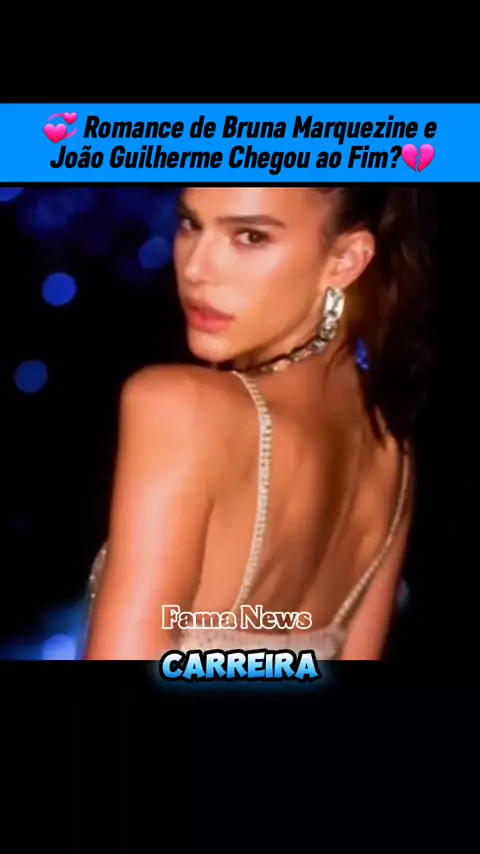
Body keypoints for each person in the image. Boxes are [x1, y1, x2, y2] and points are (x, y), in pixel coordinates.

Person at [84, 186, 433, 661]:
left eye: (250, 236)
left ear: (346, 260)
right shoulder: (393, 453)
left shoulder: (180, 407)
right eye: (190, 224)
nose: (195, 268)